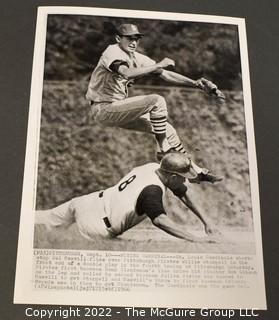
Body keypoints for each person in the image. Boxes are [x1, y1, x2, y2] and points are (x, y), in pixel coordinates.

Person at [86, 23, 223, 184]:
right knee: (157, 100)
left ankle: (195, 173)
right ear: (118, 38)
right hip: (103, 108)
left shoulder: (135, 57)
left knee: (168, 129)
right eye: (129, 38)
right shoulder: (112, 52)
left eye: (136, 38)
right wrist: (157, 64)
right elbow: (126, 72)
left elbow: (164, 74)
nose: (134, 42)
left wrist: (196, 84)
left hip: (117, 108)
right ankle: (162, 149)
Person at [36, 153, 221, 243]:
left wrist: (207, 221)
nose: (185, 181)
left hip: (85, 202)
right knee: (61, 244)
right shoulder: (152, 190)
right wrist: (196, 239)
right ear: (172, 176)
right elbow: (160, 220)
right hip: (95, 226)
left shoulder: (152, 167)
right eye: (183, 177)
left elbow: (182, 192)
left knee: (39, 219)